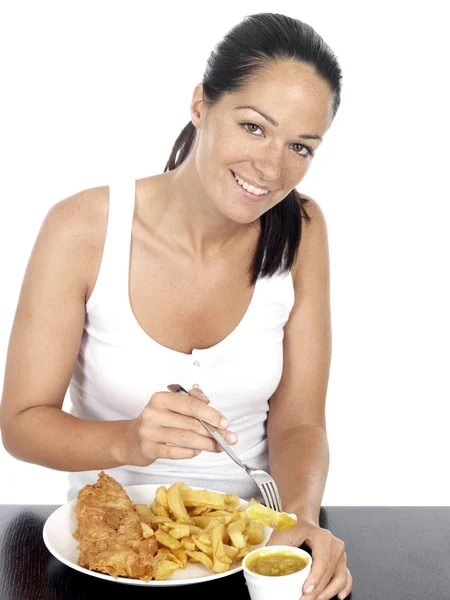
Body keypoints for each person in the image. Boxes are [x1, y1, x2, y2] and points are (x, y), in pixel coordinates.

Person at [0, 12, 352, 600]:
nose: (271, 169)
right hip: (107, 555)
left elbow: (299, 422)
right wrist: (130, 441)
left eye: (300, 147)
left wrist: (299, 520)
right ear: (200, 105)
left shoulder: (302, 230)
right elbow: (20, 423)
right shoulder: (82, 228)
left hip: (252, 546)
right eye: (254, 127)